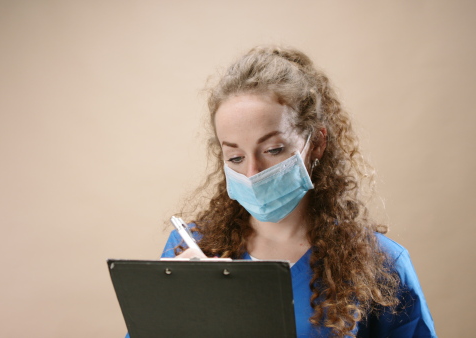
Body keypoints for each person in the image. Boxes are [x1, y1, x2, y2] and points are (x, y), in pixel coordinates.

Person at [161, 46, 436, 337]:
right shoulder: (191, 249)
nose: (253, 173)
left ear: (316, 142)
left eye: (273, 150)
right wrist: (174, 308)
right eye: (236, 158)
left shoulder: (379, 263)